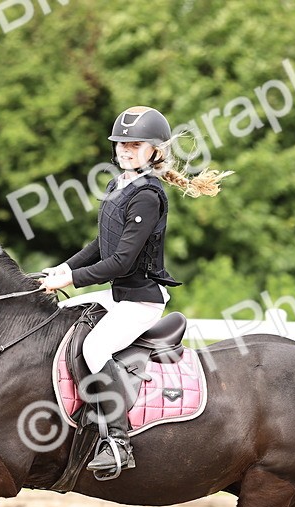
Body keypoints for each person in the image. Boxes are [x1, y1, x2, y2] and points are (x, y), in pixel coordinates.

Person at [40, 105, 232, 476]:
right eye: (121, 144)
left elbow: (121, 262)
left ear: (154, 150)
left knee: (95, 348)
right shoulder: (118, 185)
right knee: (60, 318)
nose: (126, 150)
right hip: (118, 296)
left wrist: (72, 279)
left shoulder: (147, 195)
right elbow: (100, 245)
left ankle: (117, 441)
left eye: (135, 144)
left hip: (140, 300)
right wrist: (64, 268)